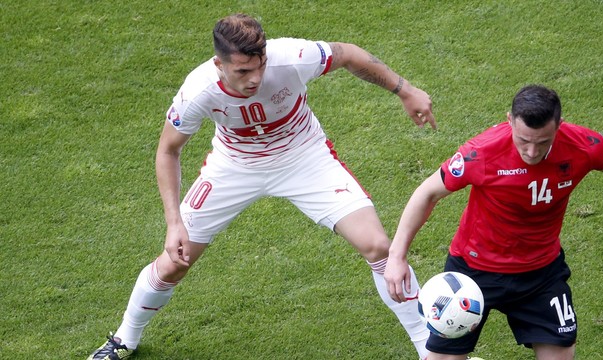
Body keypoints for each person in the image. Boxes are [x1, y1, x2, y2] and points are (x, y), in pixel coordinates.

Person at [88, 13, 437, 360]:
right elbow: (168, 150)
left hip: (304, 158)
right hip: (233, 168)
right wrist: (173, 223)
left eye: (260, 66)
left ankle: (430, 350)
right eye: (242, 71)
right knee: (174, 263)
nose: (255, 78)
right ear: (218, 64)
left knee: (377, 246)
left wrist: (404, 90)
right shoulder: (197, 91)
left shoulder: (292, 57)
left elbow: (346, 53)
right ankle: (123, 340)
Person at [384, 85, 603, 360]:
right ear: (509, 121)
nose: (532, 152)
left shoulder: (583, 146)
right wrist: (397, 256)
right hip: (474, 272)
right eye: (523, 140)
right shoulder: (481, 152)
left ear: (559, 126)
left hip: (541, 274)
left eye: (543, 142)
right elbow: (427, 193)